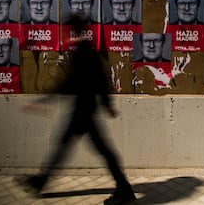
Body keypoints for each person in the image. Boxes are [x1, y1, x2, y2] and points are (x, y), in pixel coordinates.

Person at [19, 14, 135, 204]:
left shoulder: (82, 50)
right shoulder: (87, 48)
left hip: (83, 111)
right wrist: (107, 104)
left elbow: (73, 82)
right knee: (82, 148)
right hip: (85, 109)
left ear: (71, 29)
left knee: (84, 149)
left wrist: (45, 100)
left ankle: (125, 189)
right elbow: (101, 78)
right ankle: (39, 182)